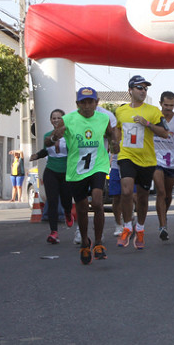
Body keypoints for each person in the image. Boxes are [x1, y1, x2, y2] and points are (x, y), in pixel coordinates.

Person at [50, 87, 119, 264]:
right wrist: (53, 137)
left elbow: (111, 133)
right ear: (77, 104)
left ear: (96, 103)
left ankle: (98, 243)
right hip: (76, 169)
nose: (87, 106)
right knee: (81, 208)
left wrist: (115, 142)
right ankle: (85, 242)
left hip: (98, 165)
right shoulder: (68, 119)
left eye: (91, 102)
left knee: (97, 201)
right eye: (83, 102)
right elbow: (48, 140)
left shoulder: (103, 118)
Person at [115, 75, 169, 250]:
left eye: (145, 88)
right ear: (130, 90)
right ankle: (127, 226)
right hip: (126, 156)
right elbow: (117, 130)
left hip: (147, 159)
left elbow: (165, 133)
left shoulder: (153, 111)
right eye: (139, 88)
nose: (143, 91)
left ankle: (140, 228)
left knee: (144, 198)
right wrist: (115, 142)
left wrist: (147, 124)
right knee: (126, 190)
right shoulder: (121, 111)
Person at [30, 109, 74, 244]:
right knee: (53, 201)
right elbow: (46, 151)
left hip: (66, 172)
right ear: (50, 120)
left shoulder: (70, 135)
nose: (56, 120)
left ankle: (67, 212)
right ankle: (54, 232)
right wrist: (36, 155)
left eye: (58, 118)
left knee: (66, 200)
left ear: (63, 120)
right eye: (53, 118)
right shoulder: (47, 135)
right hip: (51, 171)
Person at [153, 91, 174, 241]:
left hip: (172, 161)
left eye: (171, 105)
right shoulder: (154, 116)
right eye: (166, 105)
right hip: (155, 160)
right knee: (161, 192)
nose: (168, 108)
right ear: (160, 103)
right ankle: (162, 225)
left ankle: (164, 215)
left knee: (168, 195)